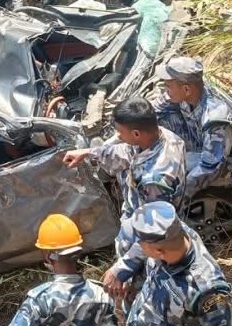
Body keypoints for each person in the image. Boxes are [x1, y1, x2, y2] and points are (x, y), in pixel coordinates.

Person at [88, 201, 232, 326]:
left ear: (158, 252)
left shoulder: (204, 288)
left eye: (140, 242)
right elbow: (144, 247)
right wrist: (121, 268)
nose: (137, 245)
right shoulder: (176, 233)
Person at [62, 96, 185, 298]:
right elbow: (127, 151)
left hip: (149, 249)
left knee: (136, 293)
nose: (118, 136)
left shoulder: (155, 180)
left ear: (136, 133)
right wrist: (88, 153)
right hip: (137, 226)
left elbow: (153, 233)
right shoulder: (164, 136)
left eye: (120, 133)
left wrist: (122, 270)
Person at [151, 57, 232, 201]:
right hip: (200, 137)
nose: (165, 91)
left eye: (168, 86)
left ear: (186, 89)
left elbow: (210, 167)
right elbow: (153, 111)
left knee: (174, 165)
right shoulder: (192, 91)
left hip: (227, 164)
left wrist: (179, 196)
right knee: (156, 124)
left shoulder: (216, 116)